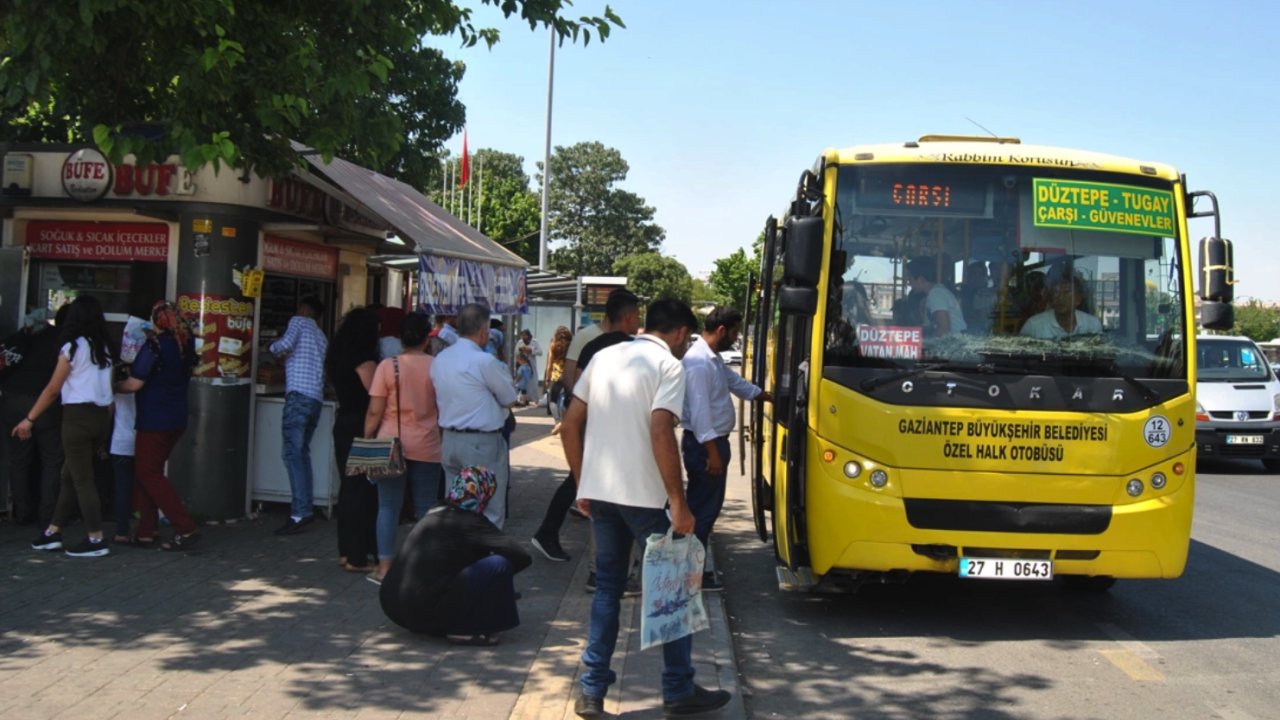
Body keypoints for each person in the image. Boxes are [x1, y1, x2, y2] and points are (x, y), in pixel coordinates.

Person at [561, 298, 732, 719]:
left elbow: (569, 425)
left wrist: (583, 481)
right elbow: (661, 431)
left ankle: (592, 689)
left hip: (601, 494)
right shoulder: (668, 367)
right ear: (677, 333)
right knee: (674, 593)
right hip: (646, 499)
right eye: (685, 337)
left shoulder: (604, 356)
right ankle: (677, 687)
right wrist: (679, 501)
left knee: (607, 591)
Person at [531, 288, 641, 564]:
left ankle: (554, 532)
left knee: (581, 478)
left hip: (604, 424)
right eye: (637, 314)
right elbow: (571, 380)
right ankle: (547, 533)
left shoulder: (624, 340)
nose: (639, 321)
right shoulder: (587, 337)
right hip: (586, 420)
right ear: (626, 315)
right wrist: (584, 416)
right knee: (577, 478)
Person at [378, 466, 531, 645]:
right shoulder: (470, 521)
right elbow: (521, 556)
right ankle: (465, 630)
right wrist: (495, 585)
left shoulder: (435, 511)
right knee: (498, 564)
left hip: (392, 606)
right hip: (421, 612)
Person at [18, 295, 117, 558]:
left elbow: (52, 389)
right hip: (100, 417)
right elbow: (108, 390)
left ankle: (96, 538)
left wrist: (29, 419)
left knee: (82, 480)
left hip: (76, 418)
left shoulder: (72, 348)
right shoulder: (104, 347)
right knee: (69, 475)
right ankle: (53, 531)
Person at [680, 306, 770, 592]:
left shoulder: (712, 359)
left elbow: (734, 383)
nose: (736, 337)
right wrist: (713, 453)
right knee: (702, 511)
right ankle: (691, 576)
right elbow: (700, 413)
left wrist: (763, 395)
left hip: (711, 443)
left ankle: (694, 571)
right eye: (733, 332)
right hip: (706, 446)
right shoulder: (698, 363)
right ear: (721, 330)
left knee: (706, 508)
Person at [114, 300, 200, 551]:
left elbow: (134, 384)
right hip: (176, 417)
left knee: (148, 473)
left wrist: (112, 387)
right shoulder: (186, 343)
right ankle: (145, 532)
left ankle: (185, 528)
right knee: (149, 471)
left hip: (154, 418)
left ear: (156, 321)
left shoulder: (155, 345)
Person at [365, 312, 444, 583]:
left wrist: (367, 438)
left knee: (388, 507)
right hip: (428, 444)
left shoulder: (388, 366)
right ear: (426, 337)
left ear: (401, 338)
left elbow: (375, 411)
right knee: (425, 509)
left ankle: (384, 567)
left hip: (389, 444)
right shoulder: (437, 367)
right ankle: (420, 568)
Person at [431, 304, 519, 529]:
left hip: (450, 440)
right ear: (483, 331)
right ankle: (485, 559)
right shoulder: (484, 361)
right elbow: (509, 398)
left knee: (456, 507)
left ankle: (458, 557)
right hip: (481, 442)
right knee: (489, 508)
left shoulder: (441, 358)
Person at [1, 305, 68, 526]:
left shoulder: (16, 339)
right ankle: (47, 515)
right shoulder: (59, 341)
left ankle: (22, 512)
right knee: (51, 460)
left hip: (13, 401)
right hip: (45, 404)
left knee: (19, 460)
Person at [327, 307, 381, 573]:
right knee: (362, 491)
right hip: (362, 427)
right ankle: (359, 556)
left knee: (348, 490)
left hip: (343, 423)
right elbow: (375, 395)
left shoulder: (339, 355)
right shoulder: (364, 359)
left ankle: (346, 551)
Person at [270, 295, 328, 535]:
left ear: (303, 309)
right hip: (315, 398)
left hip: (298, 396)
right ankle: (305, 508)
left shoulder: (298, 321)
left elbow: (284, 346)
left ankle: (299, 511)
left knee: (292, 453)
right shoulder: (322, 336)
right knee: (302, 453)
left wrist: (270, 348)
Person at [1020, 273, 1103, 339]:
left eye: (1067, 293)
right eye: (1056, 292)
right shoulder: (1034, 326)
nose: (1060, 298)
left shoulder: (1092, 324)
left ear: (1078, 299)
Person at [907, 257, 965, 336]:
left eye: (910, 279)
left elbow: (943, 329)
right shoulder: (935, 293)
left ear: (921, 279)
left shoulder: (936, 294)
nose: (909, 283)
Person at [544, 326, 573, 433]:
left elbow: (550, 364)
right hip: (568, 375)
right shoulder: (572, 346)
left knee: (553, 400)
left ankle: (557, 422)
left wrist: (547, 379)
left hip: (556, 377)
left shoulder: (553, 345)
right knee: (566, 399)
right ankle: (564, 421)